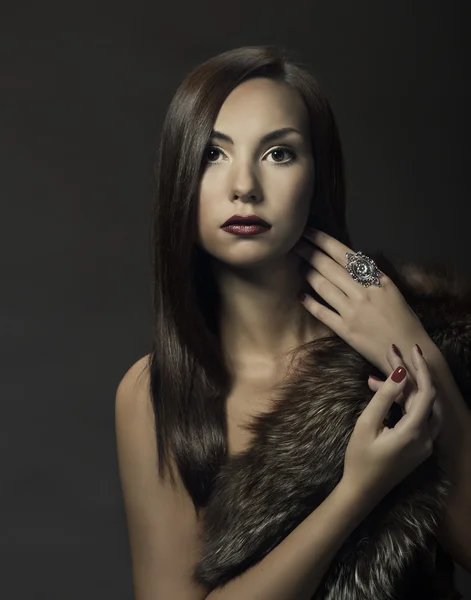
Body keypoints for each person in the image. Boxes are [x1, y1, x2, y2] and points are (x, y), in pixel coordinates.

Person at [115, 45, 466, 599]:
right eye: (213, 154)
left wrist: (420, 352)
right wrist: (358, 492)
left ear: (317, 178)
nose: (245, 187)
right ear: (181, 178)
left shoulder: (409, 335)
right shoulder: (155, 393)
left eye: (279, 153)